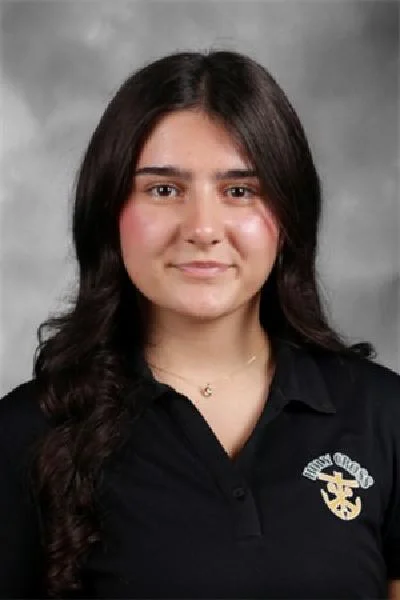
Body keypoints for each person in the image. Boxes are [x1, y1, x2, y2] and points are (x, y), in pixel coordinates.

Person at [0, 49, 399, 600]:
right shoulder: (25, 435)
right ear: (108, 212)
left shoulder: (382, 415)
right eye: (164, 190)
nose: (203, 228)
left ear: (289, 215)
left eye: (240, 191)